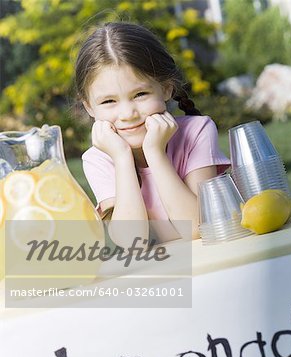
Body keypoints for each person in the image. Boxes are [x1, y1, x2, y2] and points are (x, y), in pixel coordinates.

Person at [76, 21, 230, 246]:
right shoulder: (98, 159)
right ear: (89, 106)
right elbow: (131, 241)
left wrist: (155, 153)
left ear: (166, 88)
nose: (128, 114)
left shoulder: (198, 131)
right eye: (109, 101)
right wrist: (122, 158)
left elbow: (199, 228)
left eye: (140, 94)